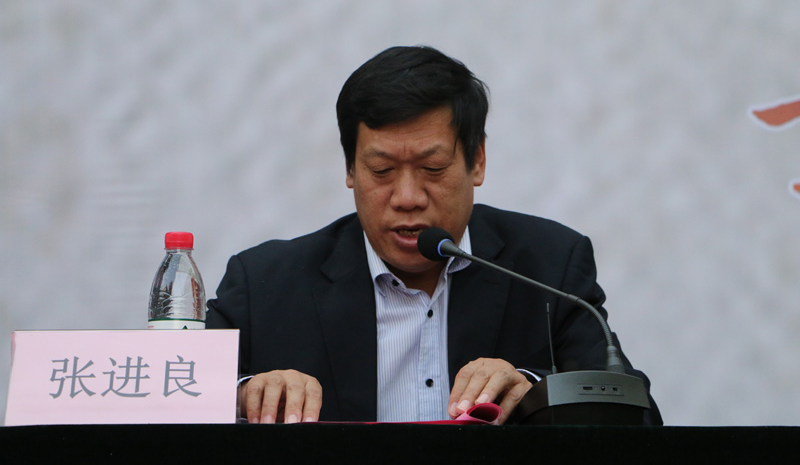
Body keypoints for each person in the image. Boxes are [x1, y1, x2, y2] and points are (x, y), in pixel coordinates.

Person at [206, 45, 662, 425]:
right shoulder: (265, 283)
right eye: (381, 171)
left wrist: (534, 388)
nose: (407, 197)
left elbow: (636, 419)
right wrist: (243, 394)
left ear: (477, 161)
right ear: (350, 169)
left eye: (433, 168)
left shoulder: (548, 265)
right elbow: (174, 393)